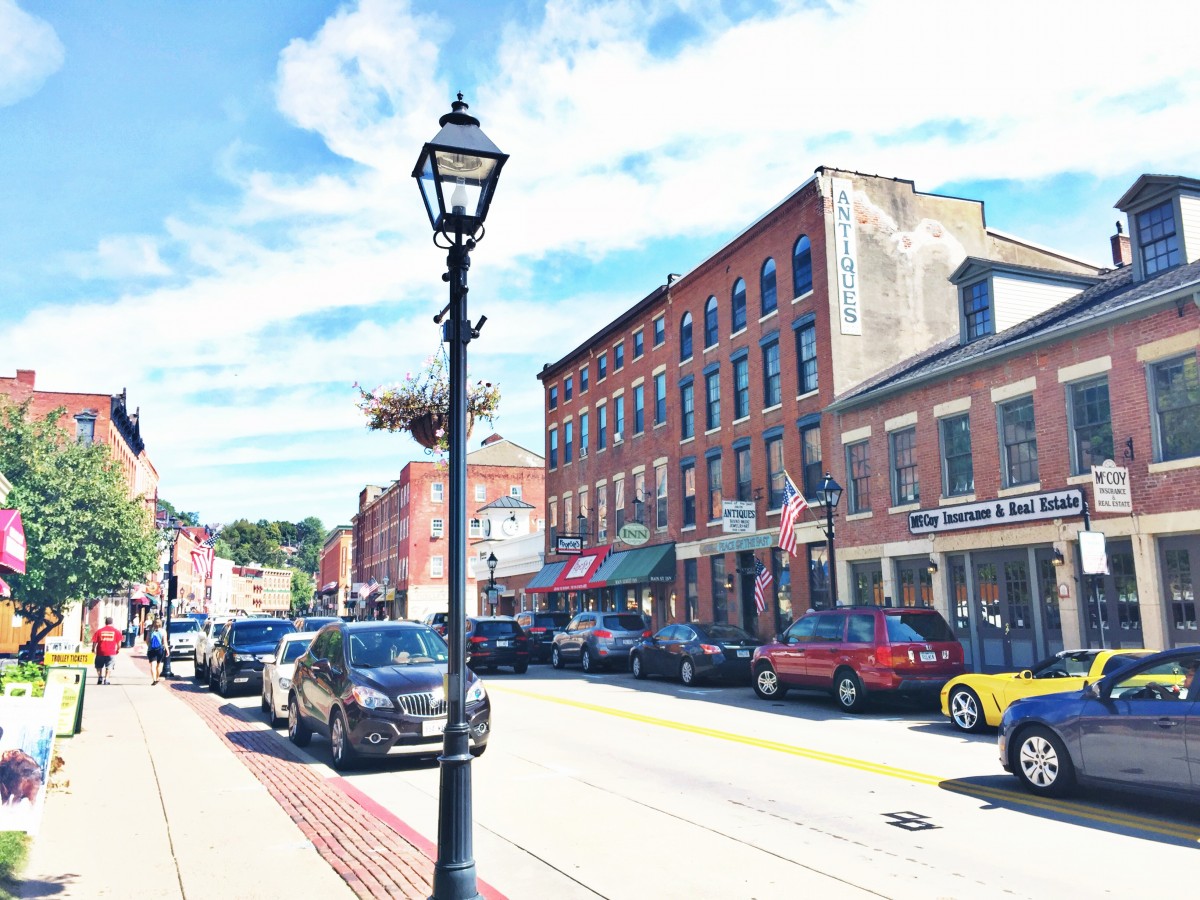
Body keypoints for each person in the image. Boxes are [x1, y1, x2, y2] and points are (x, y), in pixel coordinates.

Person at [91, 617, 123, 685]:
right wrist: (118, 649)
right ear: (112, 623)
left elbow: (94, 641)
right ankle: (106, 679)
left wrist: (93, 649)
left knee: (98, 665)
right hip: (111, 652)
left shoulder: (99, 631)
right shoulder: (116, 631)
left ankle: (100, 677)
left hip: (100, 651)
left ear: (105, 623)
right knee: (109, 666)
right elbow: (119, 643)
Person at [146, 618, 166, 684]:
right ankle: (157, 677)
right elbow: (164, 642)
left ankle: (154, 679)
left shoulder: (150, 631)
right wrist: (167, 650)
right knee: (159, 665)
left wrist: (149, 645)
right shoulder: (163, 631)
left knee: (153, 665)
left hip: (151, 650)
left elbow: (147, 641)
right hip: (160, 649)